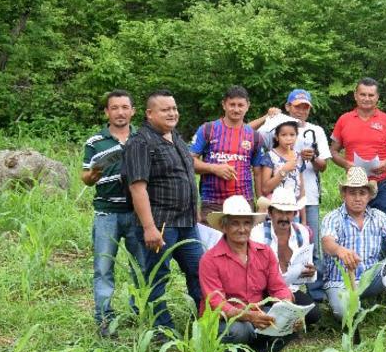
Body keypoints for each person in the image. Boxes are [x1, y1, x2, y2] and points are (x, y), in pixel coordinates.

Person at [122, 90, 203, 335]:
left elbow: (187, 178)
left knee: (199, 271)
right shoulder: (140, 143)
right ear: (149, 114)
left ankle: (206, 321)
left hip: (187, 223)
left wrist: (196, 211)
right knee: (157, 277)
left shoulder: (175, 138)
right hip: (160, 224)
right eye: (165, 109)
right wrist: (148, 227)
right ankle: (161, 331)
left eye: (174, 108)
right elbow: (137, 188)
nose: (172, 113)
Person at [199, 195, 294, 352]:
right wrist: (249, 316)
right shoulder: (210, 259)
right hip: (224, 320)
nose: (242, 229)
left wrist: (289, 307)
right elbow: (217, 304)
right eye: (235, 223)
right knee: (239, 330)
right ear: (223, 226)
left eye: (246, 223)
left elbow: (278, 287)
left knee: (290, 322)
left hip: (255, 313)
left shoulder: (264, 252)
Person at [81, 90, 145, 338]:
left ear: (133, 111)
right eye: (115, 108)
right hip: (107, 212)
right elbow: (85, 178)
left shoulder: (142, 137)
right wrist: (94, 174)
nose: (120, 112)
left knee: (140, 266)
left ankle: (139, 311)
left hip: (138, 212)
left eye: (125, 107)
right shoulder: (95, 141)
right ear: (107, 112)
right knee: (104, 267)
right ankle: (104, 320)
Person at [320, 167, 386, 330]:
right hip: (341, 282)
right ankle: (349, 308)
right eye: (352, 193)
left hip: (370, 279)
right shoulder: (333, 217)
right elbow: (327, 243)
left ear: (369, 196)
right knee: (345, 313)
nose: (357, 198)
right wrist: (340, 250)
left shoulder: (377, 216)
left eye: (362, 193)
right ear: (344, 194)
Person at [255, 89, 331, 234]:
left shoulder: (317, 130)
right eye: (297, 106)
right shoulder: (274, 128)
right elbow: (252, 134)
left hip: (309, 197)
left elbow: (323, 166)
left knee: (309, 242)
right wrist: (268, 116)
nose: (301, 111)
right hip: (279, 201)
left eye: (305, 107)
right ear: (288, 107)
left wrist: (313, 157)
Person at [330, 78, 386, 220]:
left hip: (383, 182)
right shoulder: (344, 120)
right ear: (355, 95)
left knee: (382, 226)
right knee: (354, 225)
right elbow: (333, 151)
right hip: (354, 184)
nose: (366, 98)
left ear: (377, 97)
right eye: (363, 94)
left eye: (371, 95)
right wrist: (346, 164)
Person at [190, 85, 265, 222]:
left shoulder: (255, 136)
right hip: (212, 203)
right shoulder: (208, 129)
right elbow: (188, 161)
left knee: (242, 242)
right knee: (212, 243)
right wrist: (213, 168)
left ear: (247, 106)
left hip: (244, 203)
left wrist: (260, 203)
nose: (236, 109)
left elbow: (258, 172)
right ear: (224, 104)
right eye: (232, 104)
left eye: (240, 105)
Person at [250, 186, 322, 326]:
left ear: (294, 213)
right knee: (271, 310)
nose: (284, 217)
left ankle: (282, 318)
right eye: (280, 212)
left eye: (288, 212)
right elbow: (254, 274)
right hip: (265, 292)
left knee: (314, 314)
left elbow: (303, 275)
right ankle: (279, 317)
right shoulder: (258, 234)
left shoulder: (302, 233)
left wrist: (310, 272)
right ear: (270, 213)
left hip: (291, 290)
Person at [257, 118, 305, 212]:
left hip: (294, 210)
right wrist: (284, 170)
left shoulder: (299, 157)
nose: (288, 138)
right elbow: (265, 189)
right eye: (284, 135)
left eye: (292, 135)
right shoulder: (270, 156)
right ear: (277, 137)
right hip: (275, 209)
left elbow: (302, 190)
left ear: (296, 136)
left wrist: (303, 220)